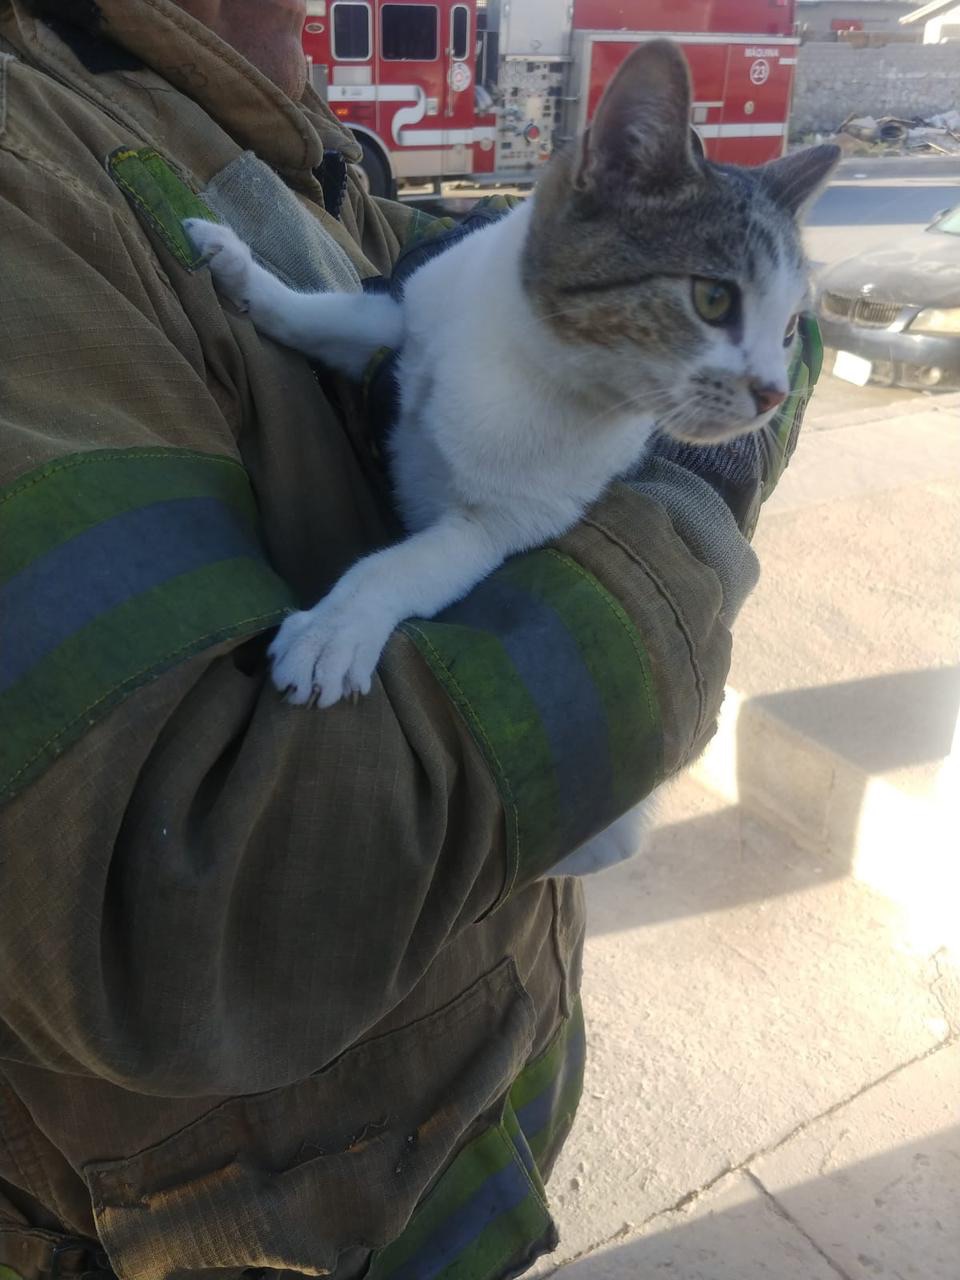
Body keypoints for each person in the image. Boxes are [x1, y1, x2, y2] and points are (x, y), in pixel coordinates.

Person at [0, 3, 821, 1279]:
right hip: (276, 1226)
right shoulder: (34, 154)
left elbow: (389, 282)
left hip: (476, 1114)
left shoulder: (238, 95)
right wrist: (689, 521)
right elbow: (171, 898)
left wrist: (739, 356)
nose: (765, 380)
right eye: (731, 312)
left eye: (776, 329)